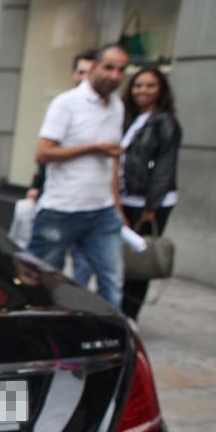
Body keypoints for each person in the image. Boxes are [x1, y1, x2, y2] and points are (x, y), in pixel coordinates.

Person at [27, 44, 130, 308]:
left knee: (112, 281)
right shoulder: (66, 103)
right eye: (108, 67)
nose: (114, 76)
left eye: (121, 70)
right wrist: (92, 148)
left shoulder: (117, 106)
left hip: (102, 211)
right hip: (62, 209)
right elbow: (43, 153)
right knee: (41, 279)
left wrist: (117, 207)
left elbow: (113, 162)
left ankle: (111, 337)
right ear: (93, 67)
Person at [28, 49, 98, 282]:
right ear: (73, 74)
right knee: (47, 264)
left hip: (92, 203)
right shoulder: (64, 104)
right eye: (80, 72)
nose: (84, 78)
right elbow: (45, 153)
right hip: (60, 200)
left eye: (90, 72)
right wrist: (37, 185)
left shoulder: (111, 108)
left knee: (84, 265)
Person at [119, 66, 181, 320]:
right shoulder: (129, 119)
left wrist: (151, 207)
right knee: (121, 258)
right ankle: (119, 309)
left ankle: (130, 315)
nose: (142, 91)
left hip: (148, 203)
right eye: (138, 85)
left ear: (161, 90)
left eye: (150, 85)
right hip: (124, 198)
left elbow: (165, 167)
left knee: (139, 263)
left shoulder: (165, 122)